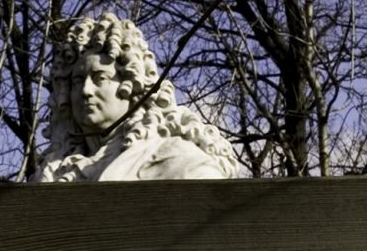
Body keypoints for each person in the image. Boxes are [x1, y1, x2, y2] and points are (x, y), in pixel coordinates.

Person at [32, 13, 240, 184]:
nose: (86, 90)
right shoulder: (54, 171)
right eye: (77, 81)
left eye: (100, 78)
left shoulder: (176, 159)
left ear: (131, 84)